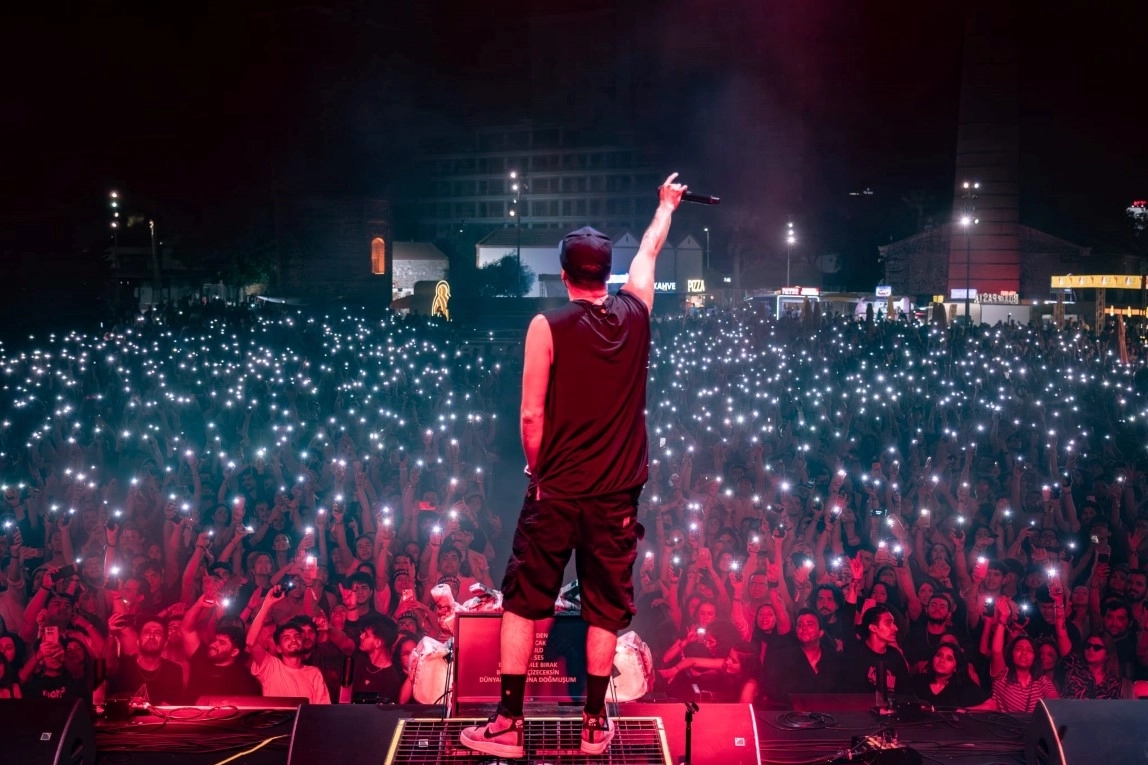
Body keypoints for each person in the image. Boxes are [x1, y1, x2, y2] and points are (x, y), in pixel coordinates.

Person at [460, 173, 686, 759]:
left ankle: (508, 726)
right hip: (617, 498)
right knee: (604, 609)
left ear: (563, 274)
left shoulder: (547, 326)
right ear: (607, 273)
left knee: (523, 601)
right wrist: (665, 206)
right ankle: (591, 725)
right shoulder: (636, 312)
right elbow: (650, 251)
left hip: (557, 491)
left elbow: (530, 416)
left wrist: (539, 472)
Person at [246, 586, 330, 703]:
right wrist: (267, 604)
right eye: (287, 638)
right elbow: (250, 642)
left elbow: (322, 709)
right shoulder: (271, 667)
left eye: (297, 636)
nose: (293, 640)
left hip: (306, 716)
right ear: (279, 648)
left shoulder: (314, 673)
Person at [909, 644, 987, 708]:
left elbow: (990, 705)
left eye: (949, 659)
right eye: (939, 655)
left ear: (956, 667)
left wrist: (964, 711)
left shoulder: (965, 687)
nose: (942, 660)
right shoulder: (918, 681)